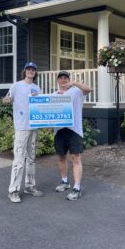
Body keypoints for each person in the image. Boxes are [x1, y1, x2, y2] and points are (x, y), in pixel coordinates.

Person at [3, 61, 44, 203]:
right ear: (25, 71)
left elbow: (41, 106)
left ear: (35, 72)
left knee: (31, 158)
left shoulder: (37, 88)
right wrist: (6, 100)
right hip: (21, 127)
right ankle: (13, 190)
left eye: (33, 69)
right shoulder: (16, 85)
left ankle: (29, 186)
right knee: (19, 160)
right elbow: (6, 99)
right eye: (29, 69)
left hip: (34, 127)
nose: (31, 71)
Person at [53, 70, 92, 200]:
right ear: (57, 81)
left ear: (68, 80)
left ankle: (77, 188)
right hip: (59, 130)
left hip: (74, 130)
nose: (63, 80)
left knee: (76, 158)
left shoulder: (76, 91)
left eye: (66, 78)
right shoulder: (54, 95)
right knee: (61, 157)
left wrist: (74, 83)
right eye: (61, 78)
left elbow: (89, 89)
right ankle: (65, 181)